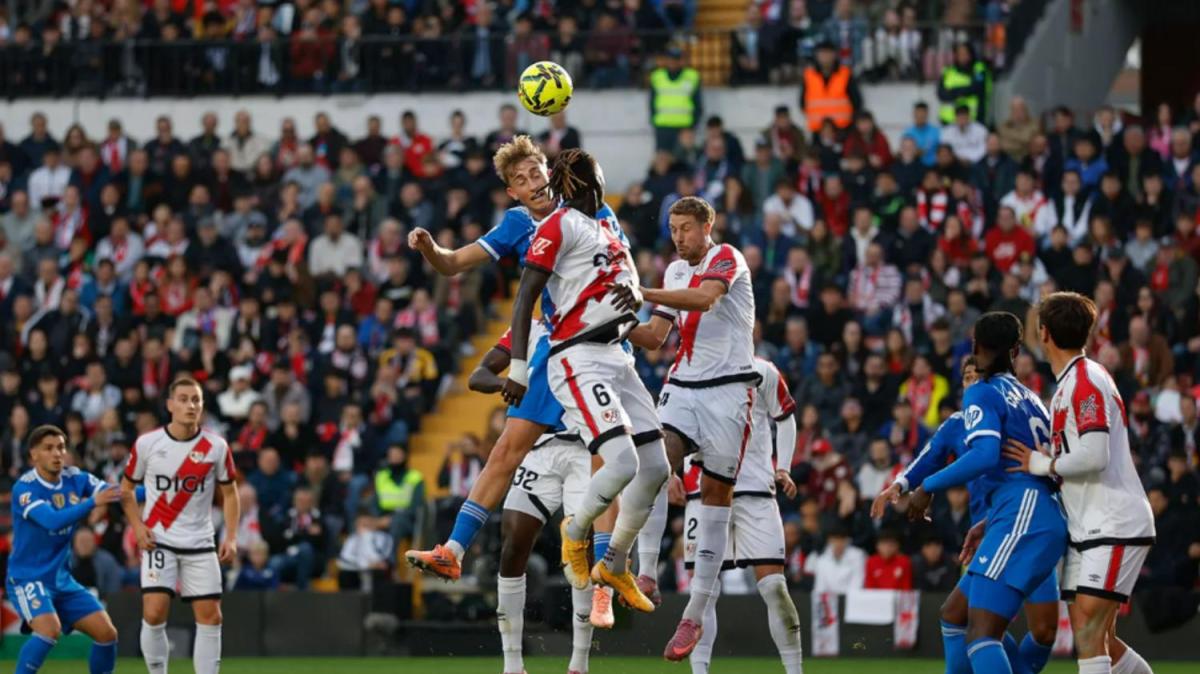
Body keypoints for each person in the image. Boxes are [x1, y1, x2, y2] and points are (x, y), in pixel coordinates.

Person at [403, 136, 619, 583]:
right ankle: (453, 550)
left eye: (536, 172)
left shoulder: (588, 207)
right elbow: (453, 263)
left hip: (602, 345)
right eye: (521, 179)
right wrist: (429, 249)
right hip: (558, 348)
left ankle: (607, 574)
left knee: (609, 457)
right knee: (505, 449)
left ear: (549, 173)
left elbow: (621, 268)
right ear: (512, 192)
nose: (533, 182)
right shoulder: (518, 223)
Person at [502, 148, 667, 612]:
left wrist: (635, 293)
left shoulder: (607, 228)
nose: (599, 177)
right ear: (578, 182)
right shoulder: (558, 225)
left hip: (618, 355)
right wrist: (518, 368)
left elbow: (629, 288)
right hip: (579, 356)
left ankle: (614, 562)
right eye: (592, 172)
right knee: (623, 463)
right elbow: (525, 297)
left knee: (657, 468)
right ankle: (574, 534)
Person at [622, 195, 758, 659]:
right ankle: (646, 572)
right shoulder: (674, 271)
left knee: (715, 499)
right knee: (654, 461)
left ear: (707, 226)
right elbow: (655, 338)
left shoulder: (728, 258)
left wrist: (642, 293)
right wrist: (614, 320)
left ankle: (694, 615)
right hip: (682, 385)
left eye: (686, 228)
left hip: (729, 391)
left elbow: (705, 299)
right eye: (673, 229)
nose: (678, 237)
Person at [901, 312, 1066, 674]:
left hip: (1022, 513)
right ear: (1016, 350)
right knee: (956, 615)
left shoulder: (982, 391)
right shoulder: (1032, 398)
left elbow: (985, 455)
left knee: (982, 633)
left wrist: (927, 487)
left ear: (975, 345)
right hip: (1026, 513)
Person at [1004, 292, 1156, 674]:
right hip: (1088, 524)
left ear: (1044, 333)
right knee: (1098, 636)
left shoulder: (1085, 381)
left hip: (1113, 520)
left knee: (1089, 629)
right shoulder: (1071, 382)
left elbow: (1095, 454)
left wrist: (1042, 463)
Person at [470, 324, 607, 674]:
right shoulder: (529, 328)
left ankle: (579, 663)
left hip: (585, 449)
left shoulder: (598, 317)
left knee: (581, 548)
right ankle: (512, 664)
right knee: (513, 540)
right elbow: (478, 374)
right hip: (539, 448)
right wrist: (509, 383)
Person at [680, 357, 804, 674]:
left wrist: (784, 467)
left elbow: (785, 416)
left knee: (774, 587)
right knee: (703, 592)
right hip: (703, 492)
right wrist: (670, 473)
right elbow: (672, 425)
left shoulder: (762, 370)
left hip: (756, 492)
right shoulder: (687, 367)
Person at [121, 376, 239, 674]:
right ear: (170, 405)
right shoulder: (148, 444)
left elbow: (230, 493)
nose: (191, 405)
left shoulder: (216, 446)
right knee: (154, 612)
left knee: (211, 616)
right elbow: (126, 489)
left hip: (200, 542)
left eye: (196, 400)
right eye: (184, 399)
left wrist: (231, 537)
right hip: (159, 540)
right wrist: (137, 527)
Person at [7, 424, 121, 674]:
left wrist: (160, 491)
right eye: (48, 448)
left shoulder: (75, 478)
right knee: (49, 629)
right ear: (34, 454)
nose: (57, 453)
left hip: (61, 579)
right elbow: (52, 521)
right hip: (28, 578)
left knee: (107, 633)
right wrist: (92, 502)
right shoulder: (24, 488)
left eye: (60, 447)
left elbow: (117, 494)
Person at [799, 40, 860, 133]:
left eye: (828, 53)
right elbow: (802, 102)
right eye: (822, 53)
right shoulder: (809, 75)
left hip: (842, 128)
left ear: (834, 55)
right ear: (816, 55)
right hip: (817, 130)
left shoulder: (845, 74)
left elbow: (856, 101)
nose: (825, 57)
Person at [649, 46, 703, 151]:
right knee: (663, 158)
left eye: (676, 59)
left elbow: (698, 104)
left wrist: (692, 126)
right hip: (663, 127)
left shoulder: (692, 77)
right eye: (671, 59)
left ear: (681, 60)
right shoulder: (657, 77)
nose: (673, 62)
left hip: (685, 127)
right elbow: (652, 102)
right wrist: (654, 121)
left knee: (683, 159)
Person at [937, 42, 991, 125]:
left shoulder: (978, 69)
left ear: (970, 54)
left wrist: (953, 91)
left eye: (965, 53)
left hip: (973, 120)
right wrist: (964, 91)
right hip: (948, 121)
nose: (962, 56)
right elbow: (941, 94)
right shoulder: (947, 71)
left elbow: (977, 88)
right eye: (959, 54)